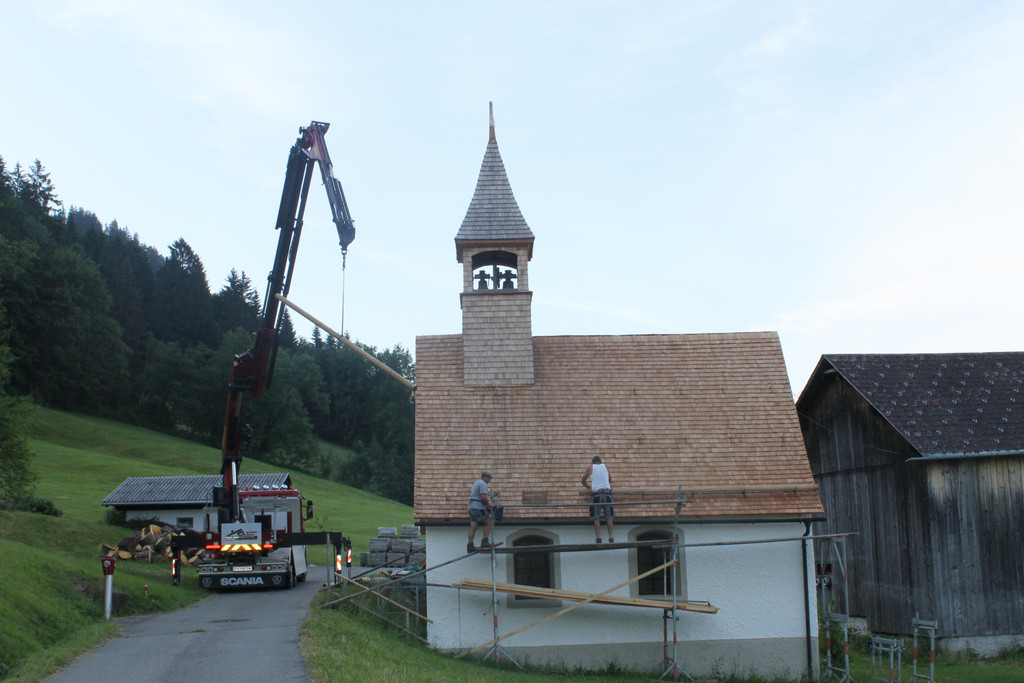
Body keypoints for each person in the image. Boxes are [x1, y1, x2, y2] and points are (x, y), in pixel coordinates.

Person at [581, 456, 614, 543]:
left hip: (597, 494)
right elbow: (610, 480)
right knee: (609, 517)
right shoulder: (605, 466)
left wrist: (588, 487)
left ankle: (598, 538)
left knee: (596, 517)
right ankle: (611, 537)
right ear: (600, 461)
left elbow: (583, 480)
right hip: (607, 493)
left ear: (593, 462)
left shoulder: (591, 467)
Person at [468, 471, 493, 552]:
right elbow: (483, 497)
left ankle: (470, 545)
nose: (489, 481)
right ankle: (484, 541)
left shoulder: (476, 482)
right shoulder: (483, 484)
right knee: (488, 522)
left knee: (473, 526)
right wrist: (488, 505)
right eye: (489, 479)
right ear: (485, 477)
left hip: (471, 507)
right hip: (478, 507)